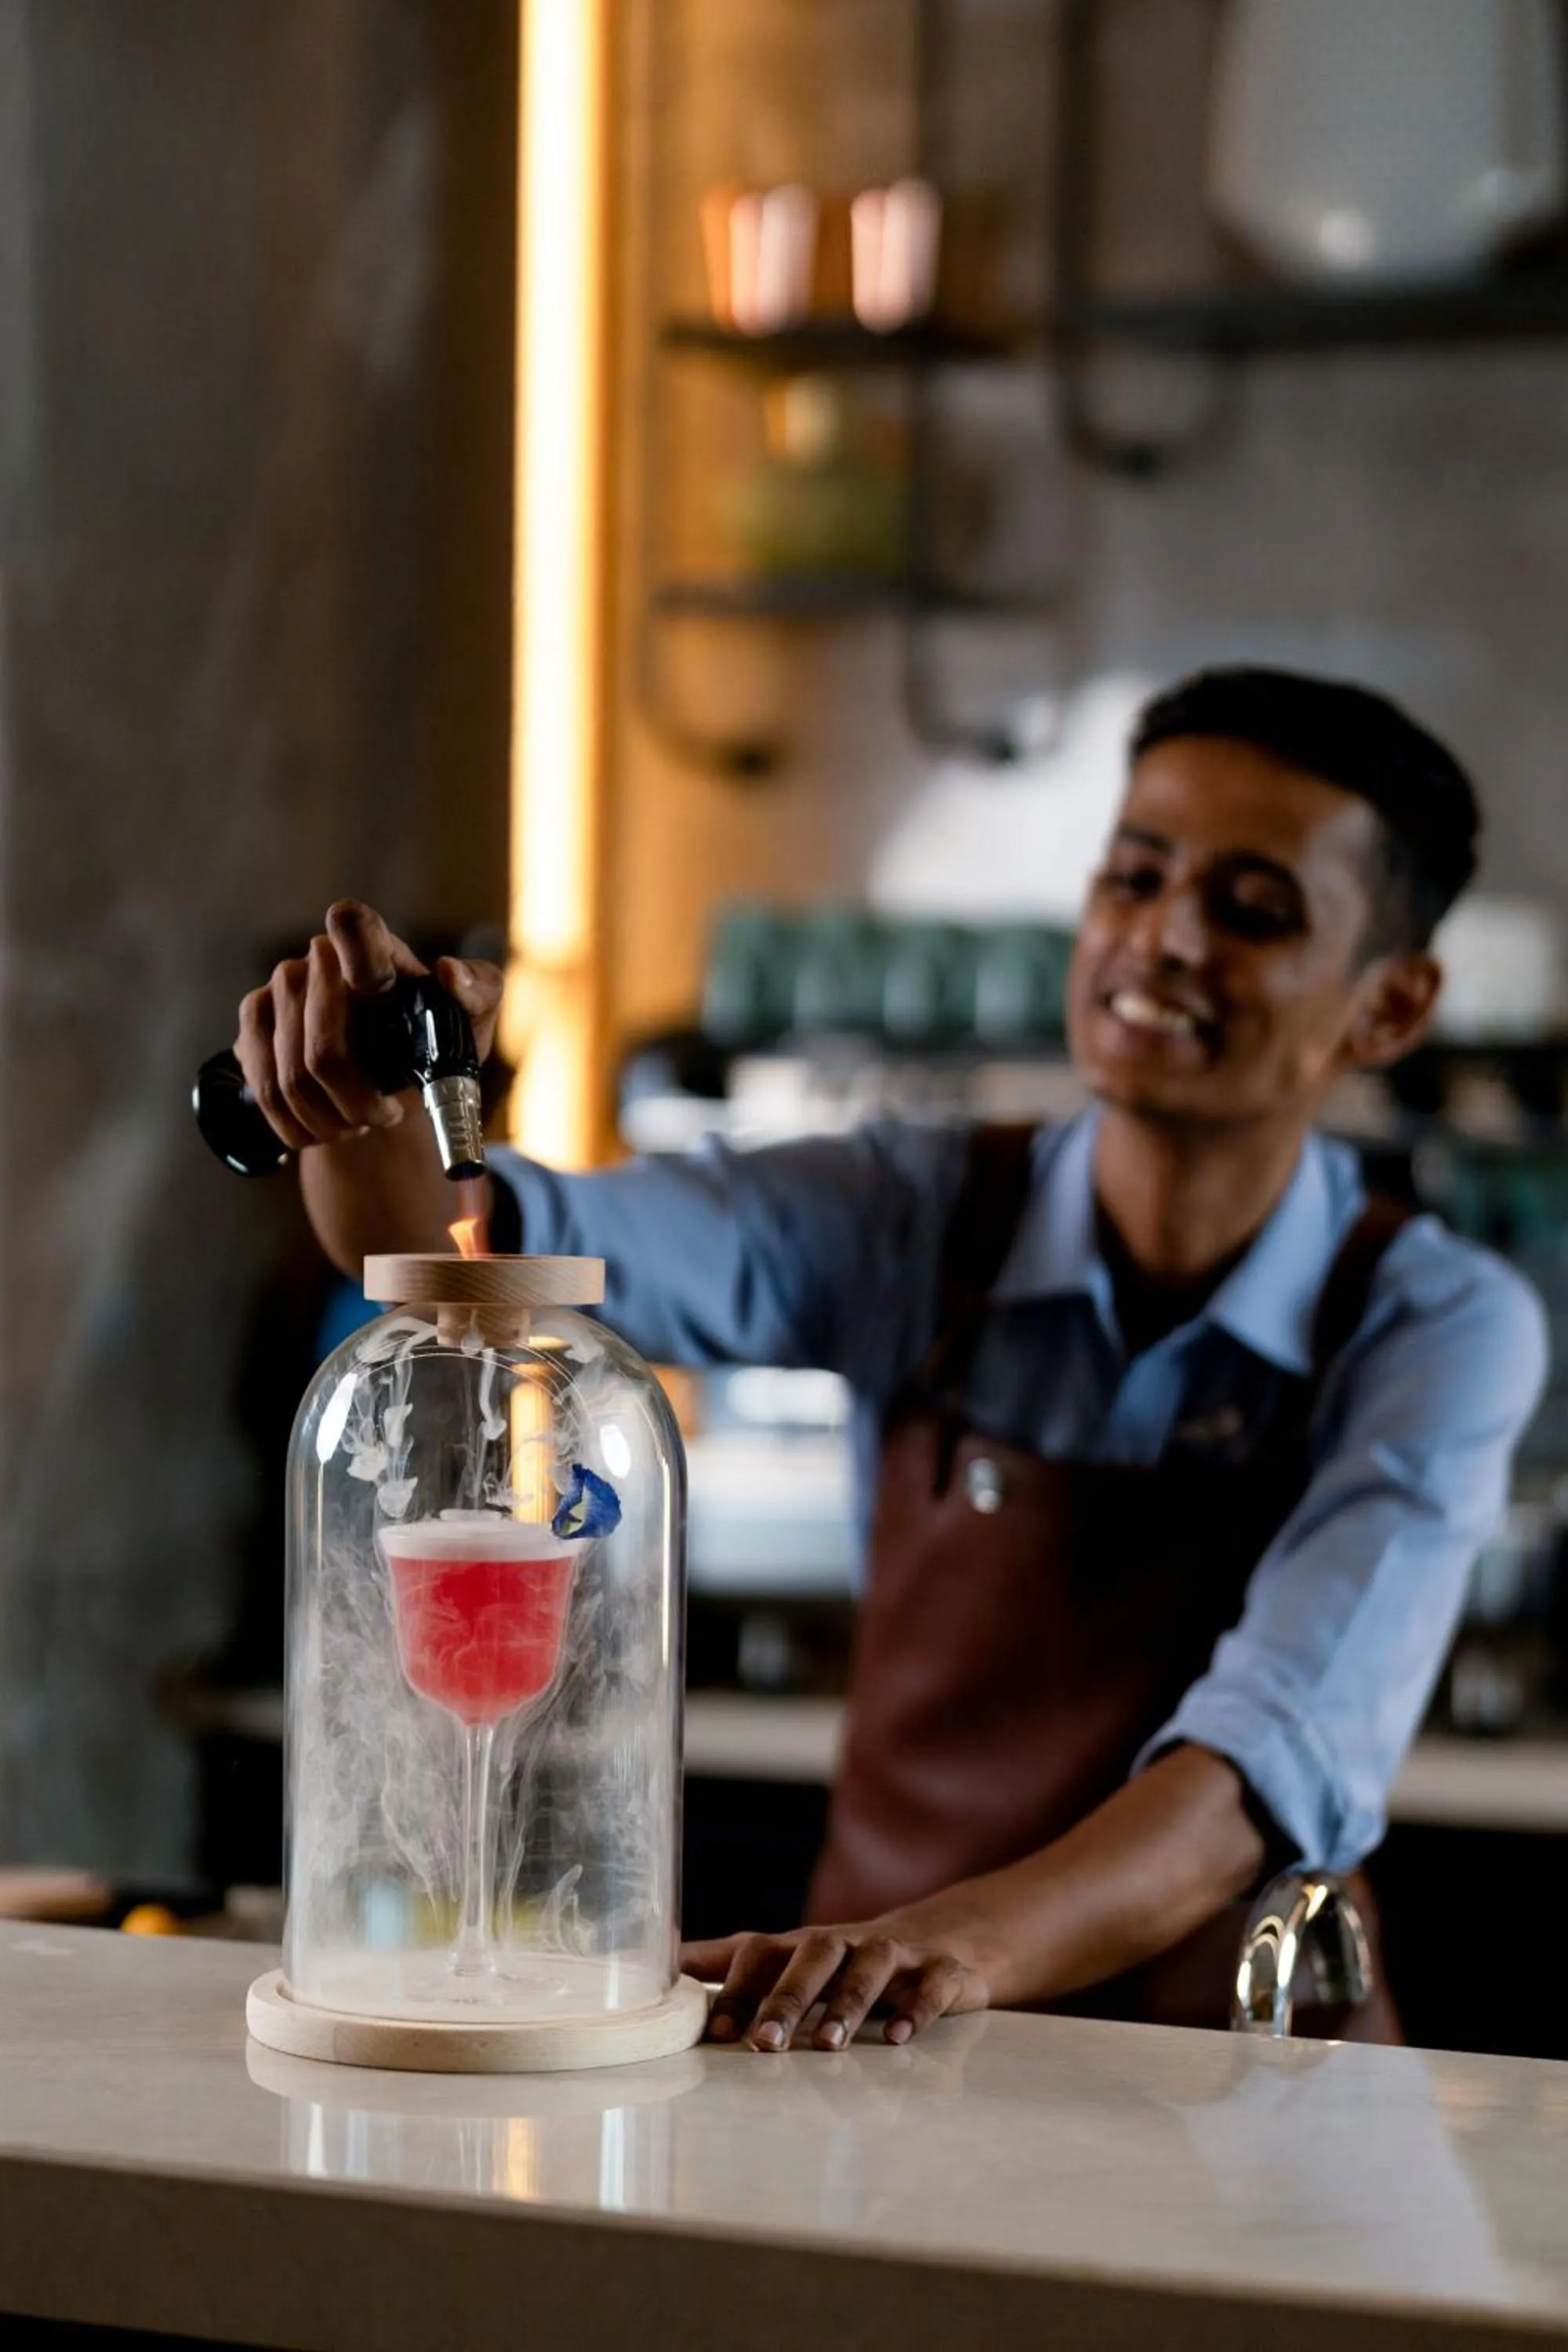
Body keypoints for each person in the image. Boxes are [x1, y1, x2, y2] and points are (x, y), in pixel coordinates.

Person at [234, 666, 1547, 2052]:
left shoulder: (1434, 1322)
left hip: (1224, 2089)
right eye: (1134, 878)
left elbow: (1263, 1769)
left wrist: (936, 1948)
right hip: (877, 2051)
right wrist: (359, 1113)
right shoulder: (911, 1214)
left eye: (1252, 911)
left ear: (1390, 1008)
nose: (1162, 939)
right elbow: (478, 1260)